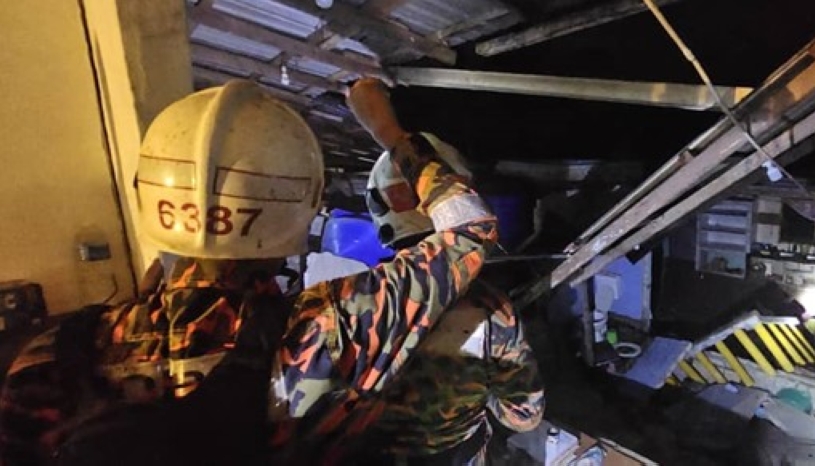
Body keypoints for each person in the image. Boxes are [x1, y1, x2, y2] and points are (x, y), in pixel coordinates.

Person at [0, 78, 497, 465]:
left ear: (150, 193)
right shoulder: (329, 327)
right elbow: (469, 229)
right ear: (302, 205)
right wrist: (388, 132)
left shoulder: (50, 358)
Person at [300, 111, 545, 464]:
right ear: (463, 192)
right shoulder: (490, 309)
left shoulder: (344, 302)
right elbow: (524, 415)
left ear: (382, 208)